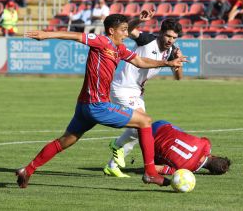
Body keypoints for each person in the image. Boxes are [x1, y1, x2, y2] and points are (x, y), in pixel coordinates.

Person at [16, 14, 187, 188]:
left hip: (84, 106)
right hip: (96, 106)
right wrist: (46, 34)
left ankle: (27, 170)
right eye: (123, 30)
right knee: (145, 121)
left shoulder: (120, 49)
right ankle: (150, 173)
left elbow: (141, 61)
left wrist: (168, 63)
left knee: (65, 141)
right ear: (112, 31)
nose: (126, 34)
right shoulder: (101, 41)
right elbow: (75, 36)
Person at [103, 10, 184, 177]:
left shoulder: (172, 50)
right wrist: (138, 20)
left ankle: (112, 166)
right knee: (138, 127)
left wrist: (179, 61)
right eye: (168, 36)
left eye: (174, 38)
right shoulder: (148, 40)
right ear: (161, 33)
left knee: (140, 129)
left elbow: (178, 78)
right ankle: (116, 145)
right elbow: (129, 31)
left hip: (137, 93)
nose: (171, 40)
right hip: (122, 87)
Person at [108, 120, 231, 176]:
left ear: (213, 156)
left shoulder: (206, 145)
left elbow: (206, 141)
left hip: (162, 124)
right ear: (209, 171)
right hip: (149, 141)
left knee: (182, 134)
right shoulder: (185, 171)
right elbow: (154, 168)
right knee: (165, 163)